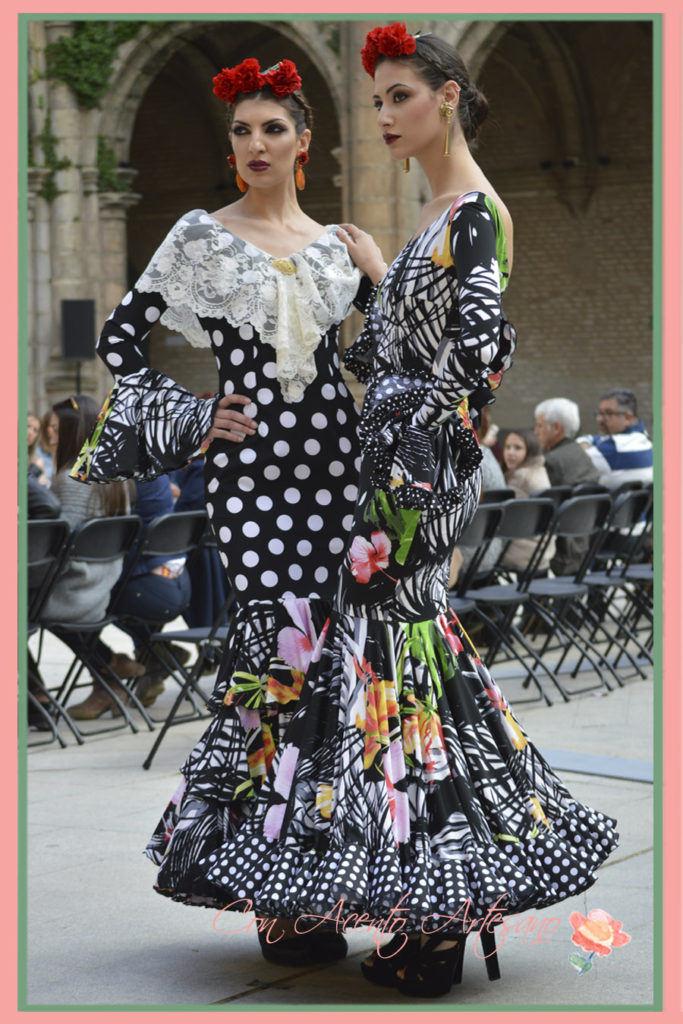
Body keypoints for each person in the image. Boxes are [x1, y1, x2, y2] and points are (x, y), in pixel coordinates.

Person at [154, 26, 618, 998]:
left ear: (446, 96)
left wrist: (410, 476)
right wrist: (373, 281)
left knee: (388, 672)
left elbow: (479, 358)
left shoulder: (473, 216)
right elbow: (393, 361)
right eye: (373, 102)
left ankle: (429, 916)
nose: (382, 116)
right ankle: (379, 899)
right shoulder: (436, 215)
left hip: (410, 482)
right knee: (380, 672)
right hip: (390, 474)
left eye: (397, 96)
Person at [82, 58, 379, 962]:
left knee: (338, 670)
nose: (254, 144)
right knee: (271, 671)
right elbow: (119, 342)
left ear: (303, 143)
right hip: (252, 475)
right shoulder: (199, 238)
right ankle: (275, 895)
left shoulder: (336, 244)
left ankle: (328, 880)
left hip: (336, 467)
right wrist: (195, 415)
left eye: (271, 129)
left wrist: (379, 279)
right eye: (242, 131)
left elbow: (391, 354)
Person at [36, 396, 145, 699]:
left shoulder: (69, 479)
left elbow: (58, 550)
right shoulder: (115, 475)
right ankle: (109, 674)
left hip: (74, 592)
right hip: (103, 585)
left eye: (56, 430)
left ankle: (37, 697)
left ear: (74, 432)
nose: (50, 437)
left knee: (21, 607)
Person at [534, 397, 601, 575]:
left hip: (559, 552)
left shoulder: (552, 461)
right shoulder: (583, 455)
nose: (535, 431)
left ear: (556, 428)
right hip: (584, 546)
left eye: (540, 425)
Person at [499, 428, 555, 573]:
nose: (510, 452)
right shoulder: (539, 470)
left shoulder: (521, 477)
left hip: (522, 552)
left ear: (530, 451)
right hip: (543, 552)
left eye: (517, 448)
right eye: (507, 447)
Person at [577, 387, 653, 489]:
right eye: (600, 413)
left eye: (608, 413)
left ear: (627, 418)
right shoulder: (644, 437)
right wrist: (588, 441)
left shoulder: (614, 448)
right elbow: (595, 438)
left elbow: (576, 460)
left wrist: (585, 445)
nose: (600, 419)